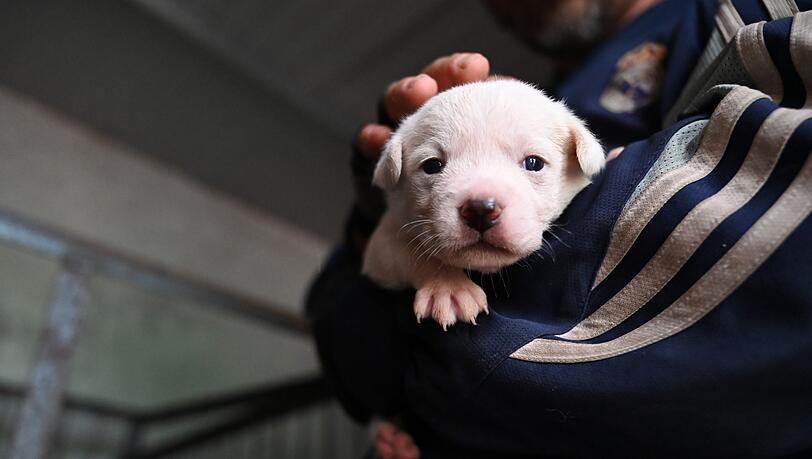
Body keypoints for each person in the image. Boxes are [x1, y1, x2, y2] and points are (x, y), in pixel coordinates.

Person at [307, 0, 812, 457]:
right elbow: (330, 313)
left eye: (531, 162)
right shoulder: (539, 101)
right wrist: (378, 213)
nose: (480, 202)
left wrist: (393, 352)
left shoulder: (734, 19)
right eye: (435, 165)